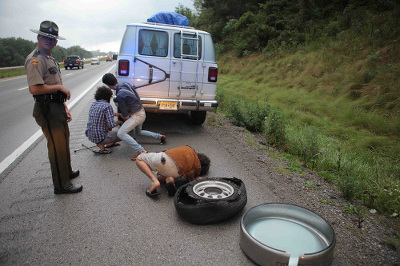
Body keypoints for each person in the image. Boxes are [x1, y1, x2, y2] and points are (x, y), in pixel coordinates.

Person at [25, 20, 82, 194]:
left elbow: (53, 82)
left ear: (56, 42)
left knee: (63, 142)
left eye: (52, 39)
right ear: (38, 37)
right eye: (45, 38)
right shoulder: (36, 59)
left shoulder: (49, 58)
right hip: (46, 108)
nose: (49, 41)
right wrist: (59, 88)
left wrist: (64, 106)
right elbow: (34, 88)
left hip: (56, 106)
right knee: (56, 146)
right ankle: (61, 185)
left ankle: (66, 173)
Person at [102, 73, 166, 160]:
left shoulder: (120, 96)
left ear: (108, 85)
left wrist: (121, 119)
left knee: (121, 133)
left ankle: (141, 151)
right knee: (139, 132)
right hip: (141, 111)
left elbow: (127, 117)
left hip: (137, 116)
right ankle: (159, 136)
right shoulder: (125, 84)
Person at [136, 145, 210, 198]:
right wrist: (195, 179)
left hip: (165, 159)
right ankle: (169, 179)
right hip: (176, 172)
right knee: (160, 176)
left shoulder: (189, 150)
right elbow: (189, 176)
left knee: (139, 159)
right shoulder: (195, 169)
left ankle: (154, 181)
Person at [85, 86, 123, 153]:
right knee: (124, 133)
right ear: (108, 96)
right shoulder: (107, 106)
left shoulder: (93, 104)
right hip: (100, 137)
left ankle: (107, 144)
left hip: (90, 135)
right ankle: (102, 143)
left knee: (105, 124)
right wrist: (120, 122)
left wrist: (118, 114)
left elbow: (104, 114)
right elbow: (112, 124)